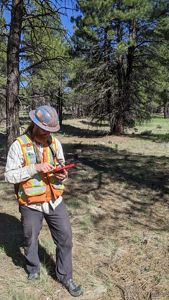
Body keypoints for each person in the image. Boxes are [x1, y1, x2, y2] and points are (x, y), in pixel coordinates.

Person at [4, 105, 83, 297]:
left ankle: (65, 277)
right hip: (31, 203)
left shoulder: (55, 143)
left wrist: (63, 175)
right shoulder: (19, 145)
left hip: (55, 200)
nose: (48, 133)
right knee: (30, 239)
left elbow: (60, 165)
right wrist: (35, 168)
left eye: (51, 130)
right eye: (45, 129)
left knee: (65, 238)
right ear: (35, 124)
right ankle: (33, 269)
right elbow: (9, 176)